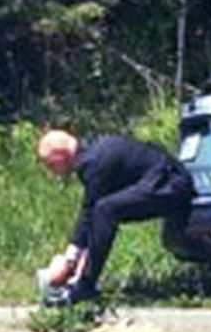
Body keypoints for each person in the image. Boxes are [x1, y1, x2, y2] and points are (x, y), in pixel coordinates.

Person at [36, 130, 195, 305]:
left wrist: (69, 259)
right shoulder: (93, 150)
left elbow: (89, 213)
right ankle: (82, 281)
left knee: (105, 211)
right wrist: (75, 256)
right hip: (165, 180)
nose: (52, 172)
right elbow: (90, 219)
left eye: (50, 165)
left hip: (170, 185)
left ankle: (85, 287)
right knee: (103, 211)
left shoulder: (93, 163)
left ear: (61, 156)